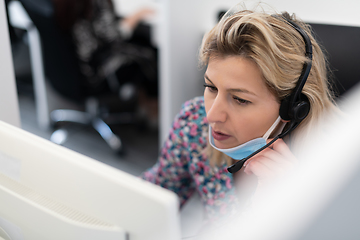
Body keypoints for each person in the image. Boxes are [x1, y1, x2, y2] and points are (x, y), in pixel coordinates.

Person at [141, 6, 338, 223]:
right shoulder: (194, 123)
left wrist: (288, 207)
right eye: (211, 87)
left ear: (294, 107)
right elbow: (149, 202)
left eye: (240, 99)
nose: (211, 116)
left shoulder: (338, 166)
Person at [52, 0, 158, 105]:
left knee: (141, 40)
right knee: (151, 54)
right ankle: (155, 110)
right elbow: (113, 38)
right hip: (96, 75)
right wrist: (137, 16)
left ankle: (146, 107)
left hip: (74, 73)